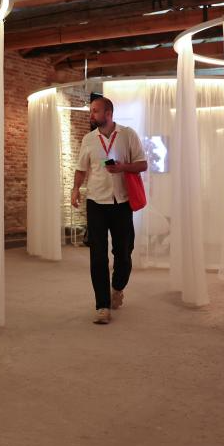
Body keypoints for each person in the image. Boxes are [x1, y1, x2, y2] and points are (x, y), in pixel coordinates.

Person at [71, 95, 147, 324]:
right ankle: (102, 306)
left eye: (95, 111)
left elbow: (143, 164)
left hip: (121, 203)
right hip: (96, 202)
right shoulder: (89, 139)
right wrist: (75, 189)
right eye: (91, 111)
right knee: (97, 256)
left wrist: (123, 167)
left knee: (123, 253)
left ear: (108, 113)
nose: (91, 114)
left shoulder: (128, 134)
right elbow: (81, 168)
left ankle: (118, 287)